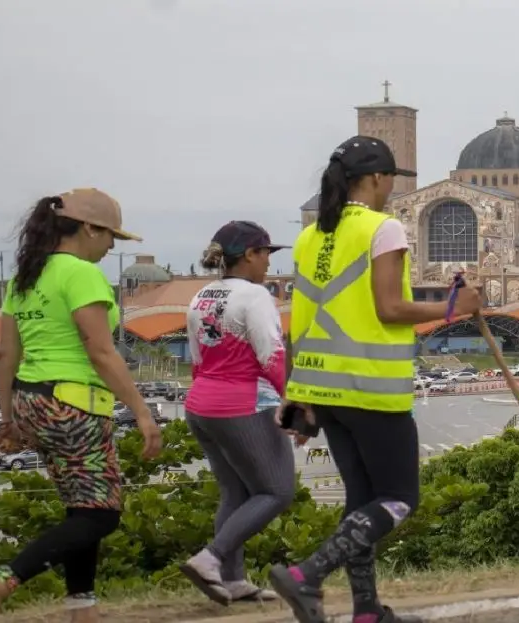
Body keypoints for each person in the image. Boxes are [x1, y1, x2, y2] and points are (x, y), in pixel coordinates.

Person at [269, 136, 482, 623]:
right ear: (378, 179)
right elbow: (390, 308)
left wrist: (299, 395)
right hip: (370, 385)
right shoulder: (382, 229)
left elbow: (300, 320)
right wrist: (454, 309)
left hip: (324, 390)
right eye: (390, 180)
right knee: (400, 498)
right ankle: (307, 575)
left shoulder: (309, 237)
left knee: (361, 501)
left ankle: (366, 609)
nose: (390, 189)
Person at [0, 189, 162, 623]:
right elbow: (101, 352)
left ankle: (81, 608)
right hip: (74, 403)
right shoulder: (81, 274)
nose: (110, 247)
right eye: (110, 237)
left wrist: (8, 419)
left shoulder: (26, 277)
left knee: (81, 509)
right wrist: (142, 411)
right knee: (101, 516)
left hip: (33, 399)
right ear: (89, 228)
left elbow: (5, 357)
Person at [178, 221, 296, 605]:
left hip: (200, 404)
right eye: (266, 254)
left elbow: (197, 361)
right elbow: (273, 357)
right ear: (249, 254)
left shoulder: (201, 296)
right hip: (241, 405)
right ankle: (210, 559)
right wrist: (295, 404)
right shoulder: (256, 296)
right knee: (277, 490)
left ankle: (232, 580)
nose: (268, 263)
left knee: (236, 490)